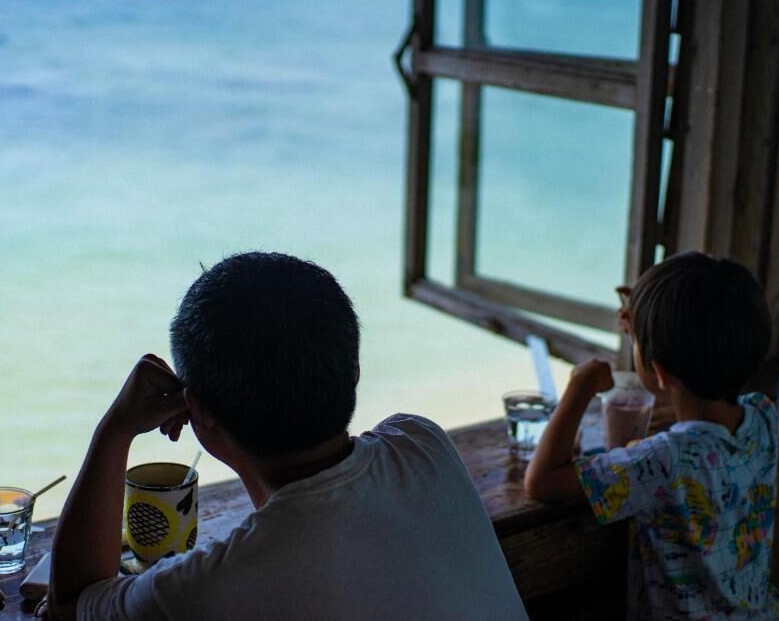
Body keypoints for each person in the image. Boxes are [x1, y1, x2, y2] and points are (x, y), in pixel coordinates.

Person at [49, 252, 527, 620]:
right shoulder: (423, 446)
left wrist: (114, 430)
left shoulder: (210, 586)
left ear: (199, 412)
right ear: (354, 372)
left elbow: (70, 605)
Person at [524, 251, 779, 619]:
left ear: (661, 373)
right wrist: (650, 325)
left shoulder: (664, 459)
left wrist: (579, 388)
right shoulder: (762, 415)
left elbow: (542, 481)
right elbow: (702, 352)